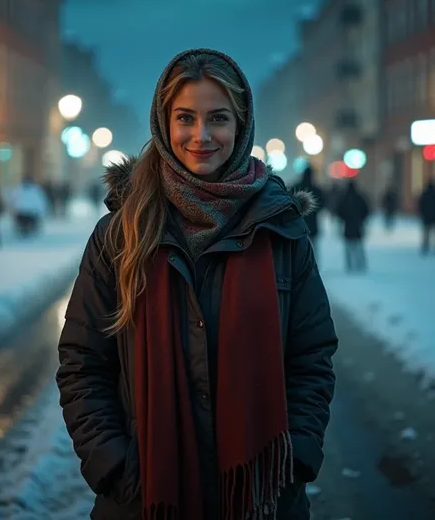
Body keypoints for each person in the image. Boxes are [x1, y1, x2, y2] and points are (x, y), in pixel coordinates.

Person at [56, 49, 338, 520]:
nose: (201, 136)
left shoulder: (282, 230)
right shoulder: (121, 233)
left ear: (242, 125)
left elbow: (311, 355)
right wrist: (113, 464)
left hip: (263, 498)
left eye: (218, 118)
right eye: (185, 117)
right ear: (163, 123)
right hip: (143, 498)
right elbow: (83, 363)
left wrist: (296, 453)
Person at [336, 180, 370, 272]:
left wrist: (344, 219)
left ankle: (350, 265)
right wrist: (361, 219)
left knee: (348, 248)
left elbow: (339, 211)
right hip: (358, 225)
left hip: (347, 226)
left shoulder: (344, 198)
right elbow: (366, 210)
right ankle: (360, 265)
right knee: (359, 247)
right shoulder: (360, 198)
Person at [293, 165, 325, 256]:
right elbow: (322, 204)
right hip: (313, 222)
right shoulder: (316, 190)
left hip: (298, 223)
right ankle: (312, 264)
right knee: (313, 247)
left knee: (299, 247)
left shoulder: (296, 187)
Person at [418, 179, 435, 254]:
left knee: (426, 233)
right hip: (434, 217)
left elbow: (420, 205)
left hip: (426, 217)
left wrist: (422, 213)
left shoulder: (424, 194)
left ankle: (425, 246)